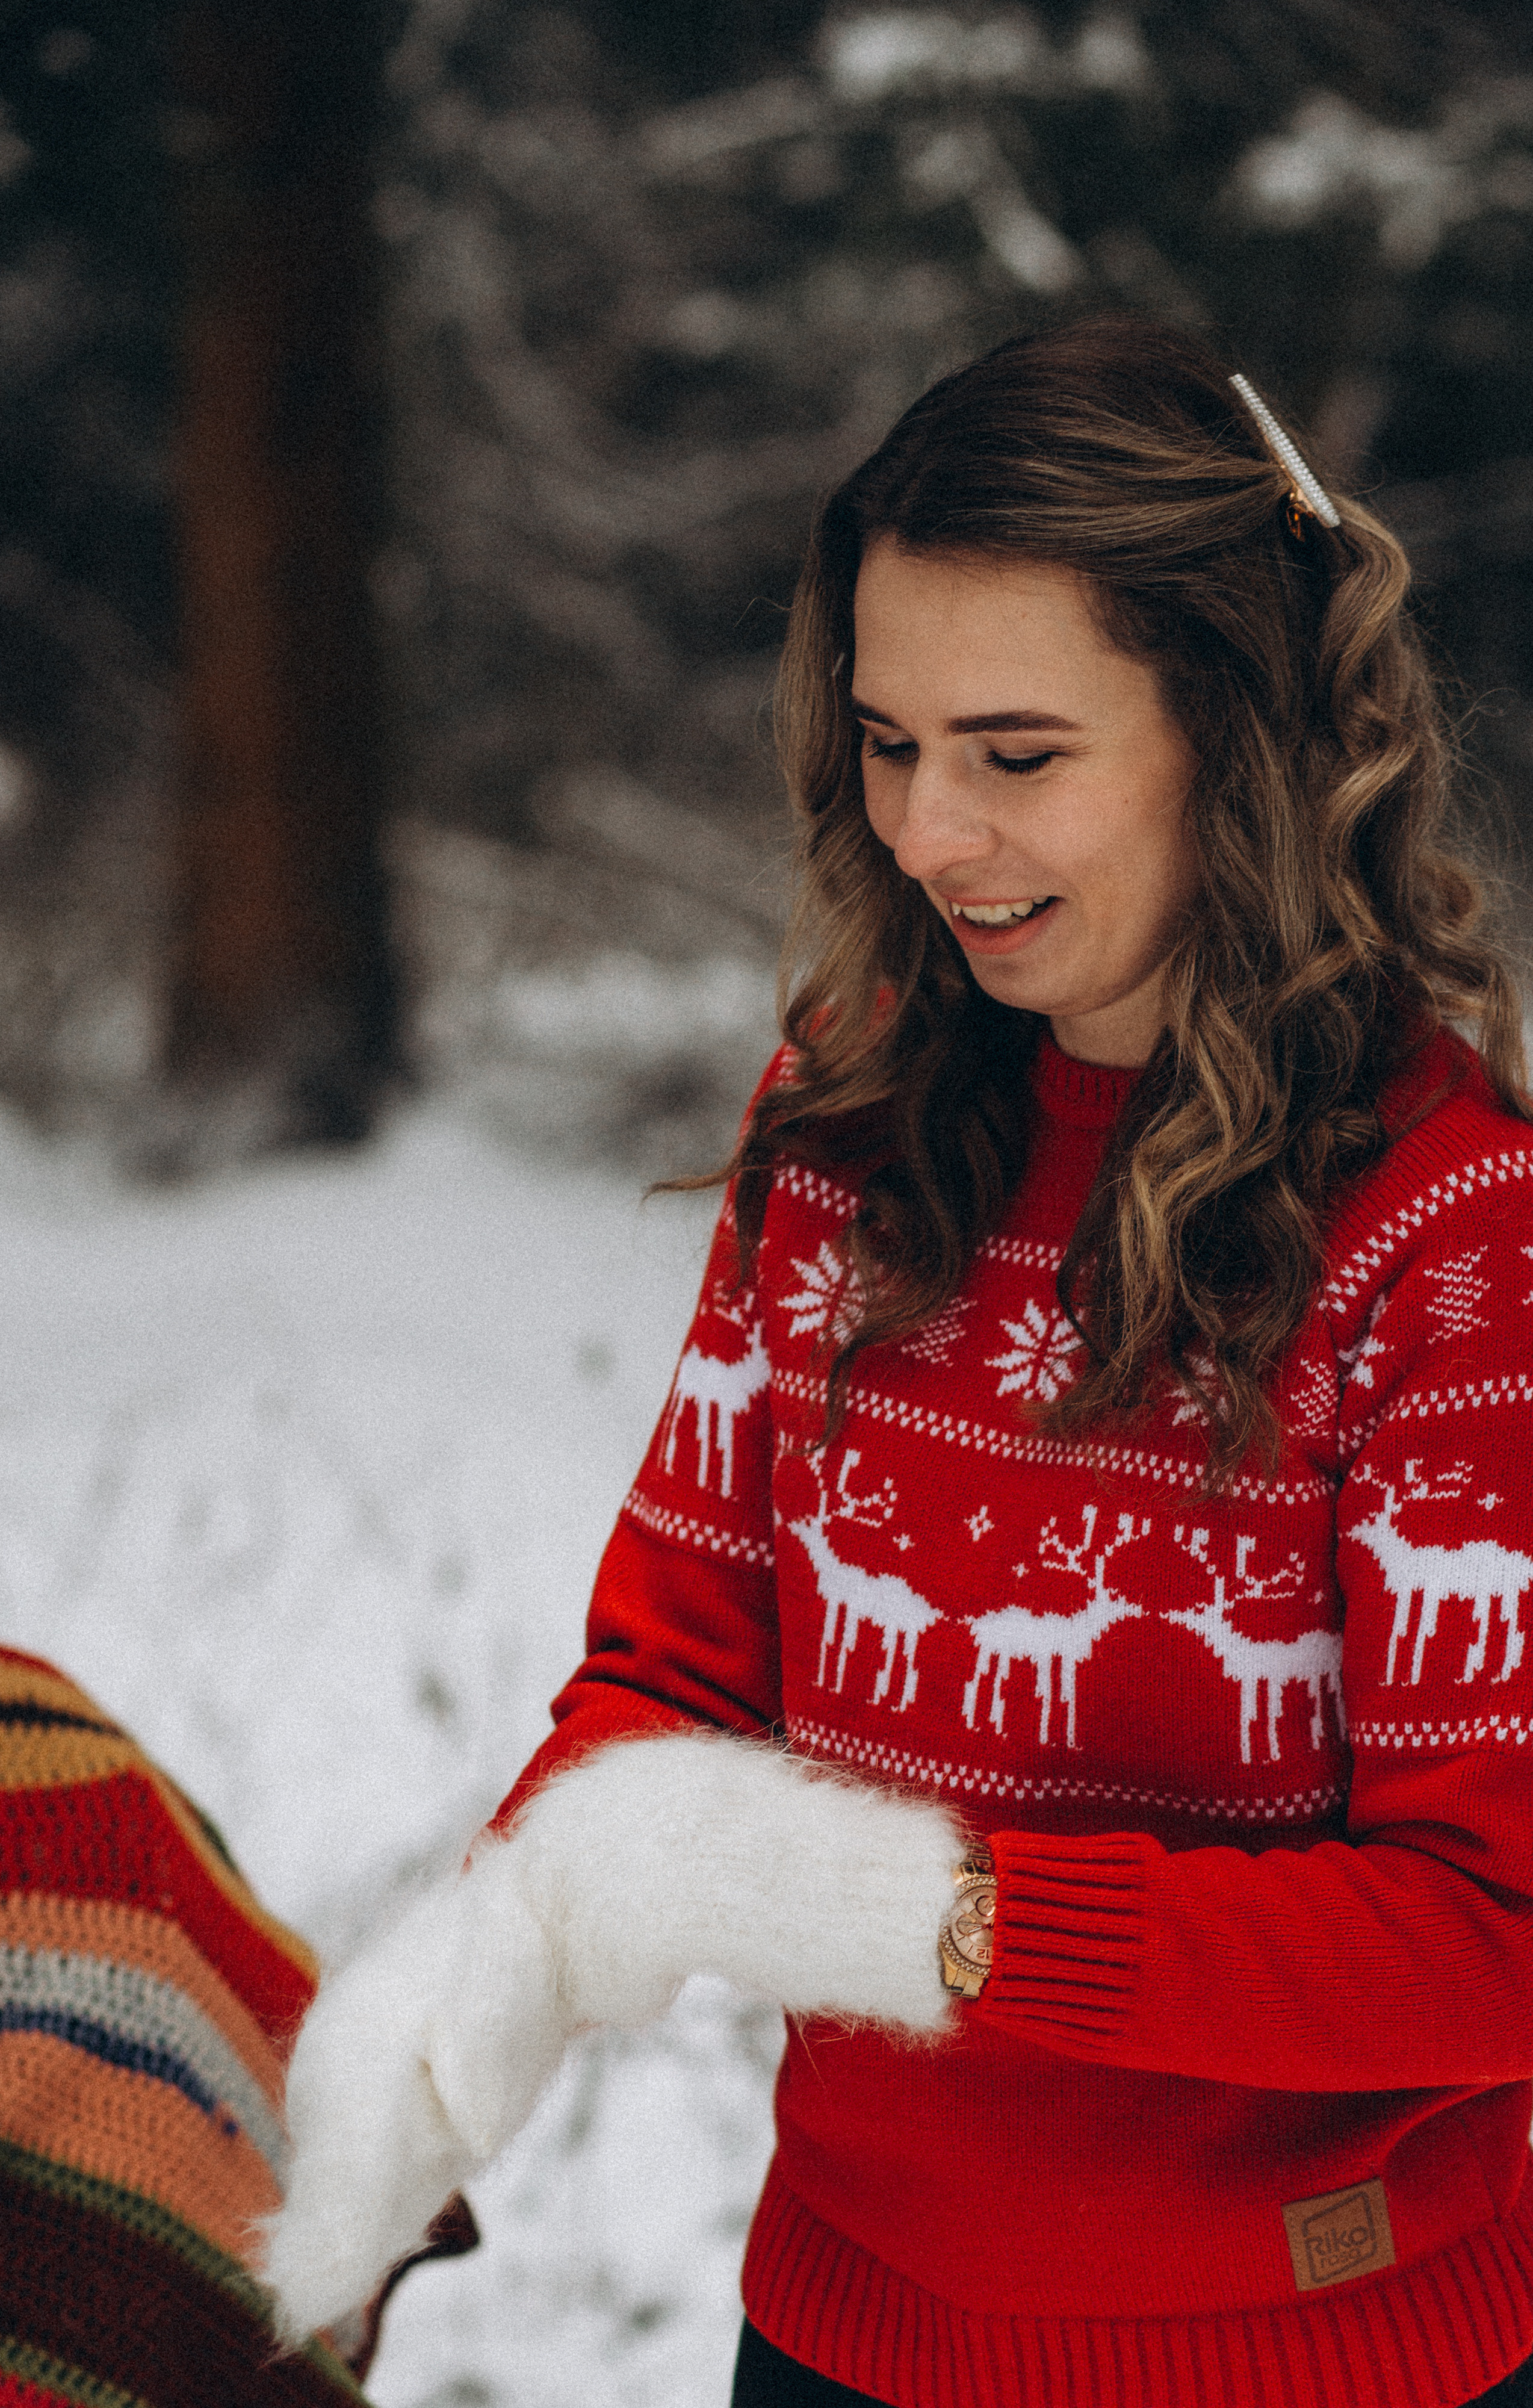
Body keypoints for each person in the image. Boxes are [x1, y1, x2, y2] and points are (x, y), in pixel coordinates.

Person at [264, 318, 1533, 2408]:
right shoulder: (843, 1129)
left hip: (1307, 2364)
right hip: (841, 2338)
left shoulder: (1448, 1236)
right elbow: (675, 1675)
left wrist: (921, 1919)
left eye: (1016, 756)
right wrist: (477, 1979)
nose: (930, 833)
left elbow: (1489, 1938)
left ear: (1244, 740)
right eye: (885, 739)